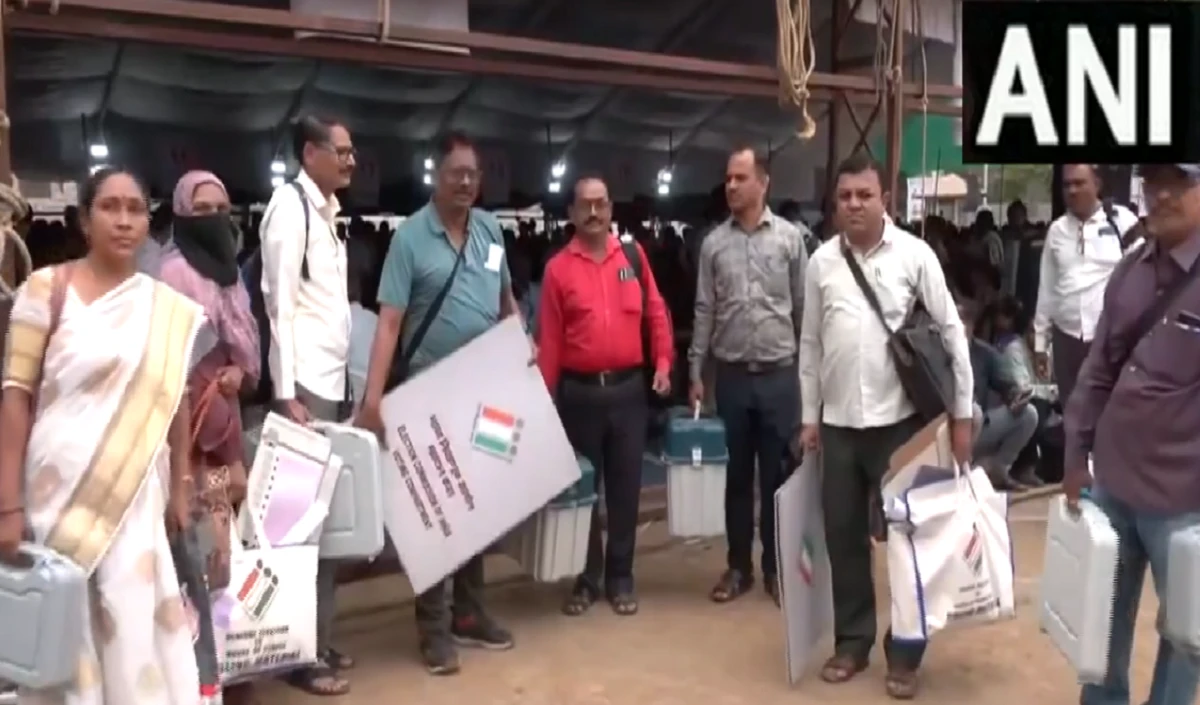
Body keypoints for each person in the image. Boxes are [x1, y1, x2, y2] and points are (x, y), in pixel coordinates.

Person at [0, 168, 204, 704]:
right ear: (85, 220)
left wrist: (181, 483)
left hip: (133, 495)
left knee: (131, 619)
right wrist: (8, 506)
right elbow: (16, 397)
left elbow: (176, 399)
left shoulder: (165, 311)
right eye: (109, 207)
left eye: (135, 209)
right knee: (68, 630)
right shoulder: (44, 291)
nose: (124, 220)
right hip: (53, 496)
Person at [797, 153, 974, 700]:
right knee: (844, 535)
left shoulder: (915, 256)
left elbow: (951, 332)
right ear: (835, 203)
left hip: (902, 428)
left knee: (909, 541)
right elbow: (810, 345)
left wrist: (963, 415)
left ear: (885, 200)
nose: (854, 204)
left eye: (864, 195)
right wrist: (810, 416)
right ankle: (853, 643)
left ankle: (906, 652)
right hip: (840, 428)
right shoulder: (821, 263)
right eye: (845, 196)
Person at [356, 131, 523, 675]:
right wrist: (373, 400)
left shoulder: (492, 231)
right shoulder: (410, 238)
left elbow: (505, 302)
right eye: (457, 173)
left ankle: (470, 614)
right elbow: (388, 324)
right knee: (436, 515)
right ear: (437, 176)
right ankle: (433, 627)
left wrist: (522, 347)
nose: (467, 182)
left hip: (487, 394)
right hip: (429, 393)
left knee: (480, 508)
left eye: (474, 174)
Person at [1065, 163, 1200, 705]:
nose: (1161, 195)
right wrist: (1076, 454)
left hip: (1184, 502)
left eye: (1179, 183)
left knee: (1188, 635)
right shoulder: (1131, 269)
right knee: (1101, 626)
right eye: (1153, 183)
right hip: (1113, 489)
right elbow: (1099, 368)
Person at [538, 174, 674, 618]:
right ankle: (586, 578)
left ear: (611, 209)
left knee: (625, 489)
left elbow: (656, 313)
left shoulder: (632, 258)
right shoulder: (558, 269)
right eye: (585, 205)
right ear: (573, 213)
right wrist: (545, 401)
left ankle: (621, 576)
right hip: (579, 395)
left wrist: (665, 364)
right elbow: (551, 341)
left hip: (628, 394)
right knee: (584, 492)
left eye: (601, 204)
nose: (593, 213)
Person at [260, 115, 356, 696]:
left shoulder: (326, 213)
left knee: (327, 526)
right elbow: (280, 306)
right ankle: (299, 655)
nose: (350, 160)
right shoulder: (289, 209)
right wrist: (286, 391)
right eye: (340, 151)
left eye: (351, 151)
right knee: (302, 528)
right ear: (311, 153)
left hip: (332, 383)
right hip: (305, 393)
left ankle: (316, 639)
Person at [157, 171, 260, 705]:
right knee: (197, 559)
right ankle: (203, 679)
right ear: (180, 213)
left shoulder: (230, 275)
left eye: (222, 206)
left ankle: (226, 673)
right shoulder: (173, 273)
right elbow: (168, 363)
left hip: (224, 428)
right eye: (202, 208)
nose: (215, 218)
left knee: (222, 557)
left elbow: (244, 348)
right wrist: (210, 383)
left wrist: (238, 375)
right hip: (190, 440)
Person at [687, 145, 807, 606]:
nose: (731, 186)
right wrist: (696, 368)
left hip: (780, 375)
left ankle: (777, 569)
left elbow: (803, 311)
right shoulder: (714, 244)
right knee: (737, 476)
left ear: (763, 182)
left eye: (740, 178)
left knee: (778, 474)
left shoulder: (791, 240)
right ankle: (739, 567)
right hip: (733, 376)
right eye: (728, 178)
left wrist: (808, 377)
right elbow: (704, 310)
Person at [1034, 164, 1140, 406]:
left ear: (1097, 185)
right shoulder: (1056, 231)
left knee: (1110, 410)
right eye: (1066, 184)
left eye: (1079, 183)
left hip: (1109, 338)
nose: (1072, 190)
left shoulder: (1122, 222)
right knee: (1072, 410)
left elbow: (1143, 275)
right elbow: (1047, 288)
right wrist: (1041, 342)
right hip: (1066, 339)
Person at [959, 299, 1038, 491]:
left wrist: (1015, 397)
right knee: (972, 410)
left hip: (979, 427)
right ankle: (960, 475)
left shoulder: (985, 354)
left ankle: (998, 470)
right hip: (946, 428)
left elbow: (1006, 385)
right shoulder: (937, 349)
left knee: (1029, 414)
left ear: (970, 326)